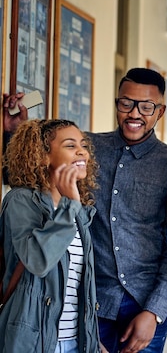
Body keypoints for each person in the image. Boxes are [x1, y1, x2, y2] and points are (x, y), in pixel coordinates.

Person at [3, 68, 167, 353]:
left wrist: (155, 311)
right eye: (126, 103)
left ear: (160, 112)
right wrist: (11, 132)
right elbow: (30, 174)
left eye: (146, 106)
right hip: (89, 304)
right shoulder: (87, 148)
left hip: (144, 308)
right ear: (117, 103)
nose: (134, 113)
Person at [0, 119, 100, 352]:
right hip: (33, 341)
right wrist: (70, 206)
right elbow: (37, 260)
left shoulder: (80, 210)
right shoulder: (21, 200)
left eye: (83, 145)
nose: (81, 151)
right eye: (69, 145)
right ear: (43, 156)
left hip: (76, 342)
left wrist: (92, 339)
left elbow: (79, 287)